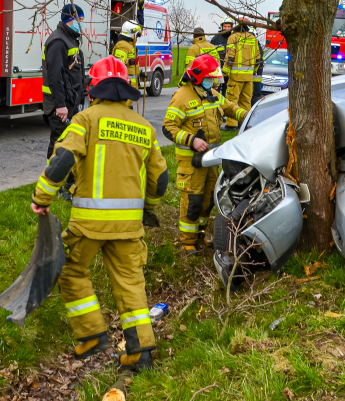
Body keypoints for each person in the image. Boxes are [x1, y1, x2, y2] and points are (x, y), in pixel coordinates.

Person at [31, 56, 169, 371]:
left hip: (89, 225)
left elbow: (63, 159)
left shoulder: (86, 120)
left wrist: (43, 198)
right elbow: (160, 180)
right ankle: (140, 352)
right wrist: (148, 208)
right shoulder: (143, 127)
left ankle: (92, 334)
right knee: (131, 284)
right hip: (130, 228)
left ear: (92, 89)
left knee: (71, 271)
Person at [163, 54, 247, 252]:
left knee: (209, 199)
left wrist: (251, 115)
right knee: (194, 201)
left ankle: (199, 235)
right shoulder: (182, 97)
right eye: (211, 78)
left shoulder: (211, 94)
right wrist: (192, 140)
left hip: (211, 160)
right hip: (191, 162)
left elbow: (231, 108)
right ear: (199, 78)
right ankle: (188, 242)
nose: (215, 82)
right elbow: (168, 127)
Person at [42, 3, 86, 163]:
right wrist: (60, 105)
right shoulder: (58, 41)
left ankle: (66, 179)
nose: (81, 23)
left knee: (67, 142)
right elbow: (55, 76)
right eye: (79, 19)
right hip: (58, 105)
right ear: (70, 19)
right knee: (58, 143)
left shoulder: (69, 39)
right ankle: (53, 180)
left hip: (69, 102)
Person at [222, 23, 261, 130]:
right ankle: (245, 124)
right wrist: (254, 71)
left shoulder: (233, 37)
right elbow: (258, 58)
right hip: (248, 77)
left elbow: (230, 56)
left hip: (236, 77)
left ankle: (231, 124)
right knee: (246, 101)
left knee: (232, 100)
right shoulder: (253, 38)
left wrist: (225, 72)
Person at [113, 20, 142, 88]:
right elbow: (118, 62)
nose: (137, 35)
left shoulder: (130, 45)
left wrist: (140, 73)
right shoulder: (122, 44)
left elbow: (133, 66)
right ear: (131, 33)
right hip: (125, 84)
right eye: (136, 33)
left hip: (132, 86)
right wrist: (129, 61)